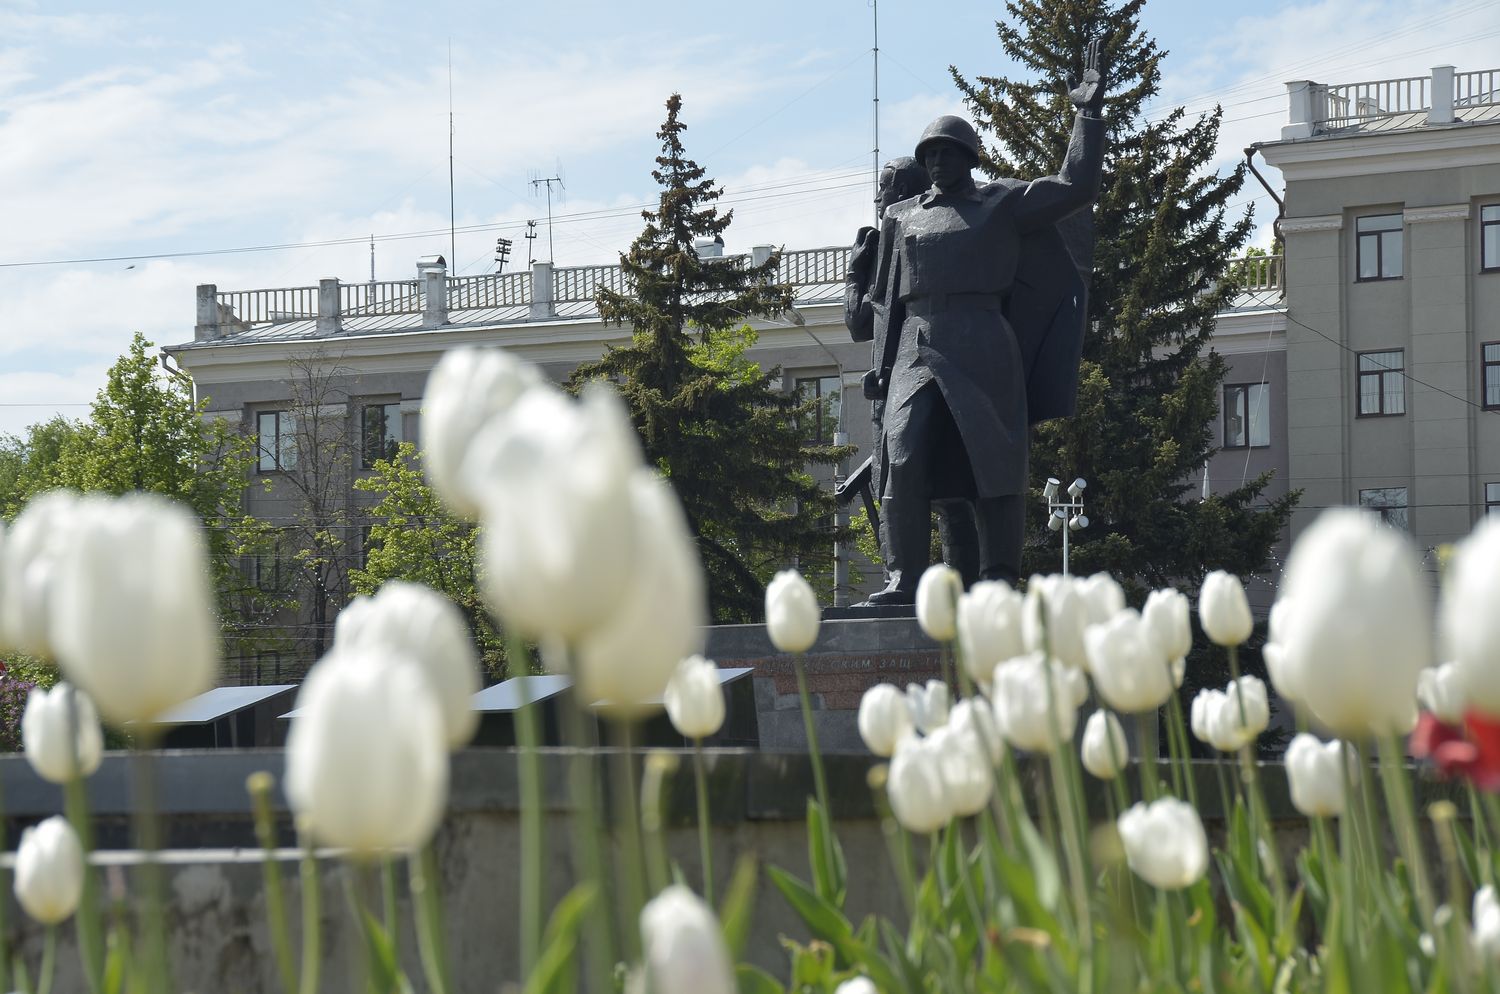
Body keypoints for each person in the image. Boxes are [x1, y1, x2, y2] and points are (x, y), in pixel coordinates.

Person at [860, 40, 1106, 605]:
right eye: (930, 154)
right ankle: (905, 580)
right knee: (903, 456)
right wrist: (880, 366)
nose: (938, 162)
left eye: (949, 152)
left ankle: (998, 574)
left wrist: (1087, 114)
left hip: (984, 341)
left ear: (970, 157)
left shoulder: (1002, 203)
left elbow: (1075, 186)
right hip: (914, 346)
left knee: (993, 461)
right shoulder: (901, 217)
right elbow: (889, 297)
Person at [846, 157, 980, 586]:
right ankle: (906, 580)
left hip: (931, 372)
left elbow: (859, 319)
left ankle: (953, 583)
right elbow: (860, 324)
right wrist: (856, 272)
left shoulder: (925, 234)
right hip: (890, 386)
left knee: (946, 484)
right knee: (902, 486)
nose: (879, 199)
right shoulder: (879, 242)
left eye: (885, 189)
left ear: (904, 192)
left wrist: (855, 275)